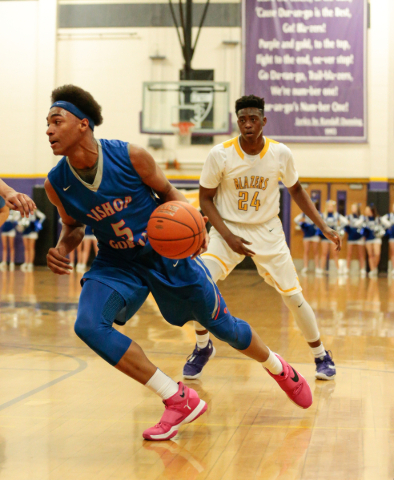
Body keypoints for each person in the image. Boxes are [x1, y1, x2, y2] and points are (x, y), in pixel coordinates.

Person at [44, 85, 313, 441]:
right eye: (46, 123)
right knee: (89, 325)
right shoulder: (56, 184)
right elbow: (73, 227)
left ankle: (278, 368)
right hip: (115, 262)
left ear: (83, 124)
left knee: (225, 329)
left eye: (56, 121)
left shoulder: (131, 156)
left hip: (165, 255)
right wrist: (62, 247)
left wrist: (195, 225)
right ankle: (177, 397)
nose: (48, 130)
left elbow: (170, 194)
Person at [183, 95, 339, 383]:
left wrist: (323, 226)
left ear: (264, 121)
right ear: (237, 122)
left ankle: (321, 355)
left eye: (253, 118)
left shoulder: (280, 153)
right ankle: (203, 347)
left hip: (267, 231)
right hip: (227, 228)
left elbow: (297, 191)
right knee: (198, 283)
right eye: (242, 119)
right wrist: (227, 236)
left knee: (293, 297)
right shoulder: (220, 154)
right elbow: (205, 199)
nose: (248, 124)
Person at [318, 200, 347, 275]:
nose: (330, 207)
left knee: (335, 253)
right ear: (326, 207)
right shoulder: (323, 215)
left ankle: (338, 269)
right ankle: (321, 269)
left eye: (331, 206)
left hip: (333, 237)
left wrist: (339, 229)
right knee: (324, 253)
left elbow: (346, 222)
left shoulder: (336, 215)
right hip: (325, 237)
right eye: (329, 206)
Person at [294, 206, 320, 274]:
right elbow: (296, 219)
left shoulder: (317, 213)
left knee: (316, 251)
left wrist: (318, 228)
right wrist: (302, 225)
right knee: (306, 251)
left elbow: (322, 221)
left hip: (315, 235)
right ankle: (305, 267)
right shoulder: (304, 213)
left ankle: (317, 267)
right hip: (307, 235)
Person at [362, 204, 384, 278]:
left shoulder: (378, 218)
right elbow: (360, 227)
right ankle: (372, 270)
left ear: (371, 210)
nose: (366, 211)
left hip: (376, 238)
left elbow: (384, 226)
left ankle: (374, 268)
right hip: (368, 238)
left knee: (377, 254)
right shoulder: (364, 219)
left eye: (367, 210)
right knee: (370, 255)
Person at [344, 203, 366, 276]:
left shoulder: (362, 217)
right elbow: (345, 225)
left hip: (359, 237)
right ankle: (347, 268)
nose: (353, 209)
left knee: (361, 254)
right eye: (352, 208)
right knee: (349, 253)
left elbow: (364, 227)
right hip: (351, 237)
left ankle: (362, 268)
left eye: (354, 207)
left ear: (357, 208)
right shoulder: (349, 217)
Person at [381, 203, 394, 277]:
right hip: (392, 237)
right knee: (393, 252)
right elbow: (382, 219)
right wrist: (389, 224)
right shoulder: (390, 216)